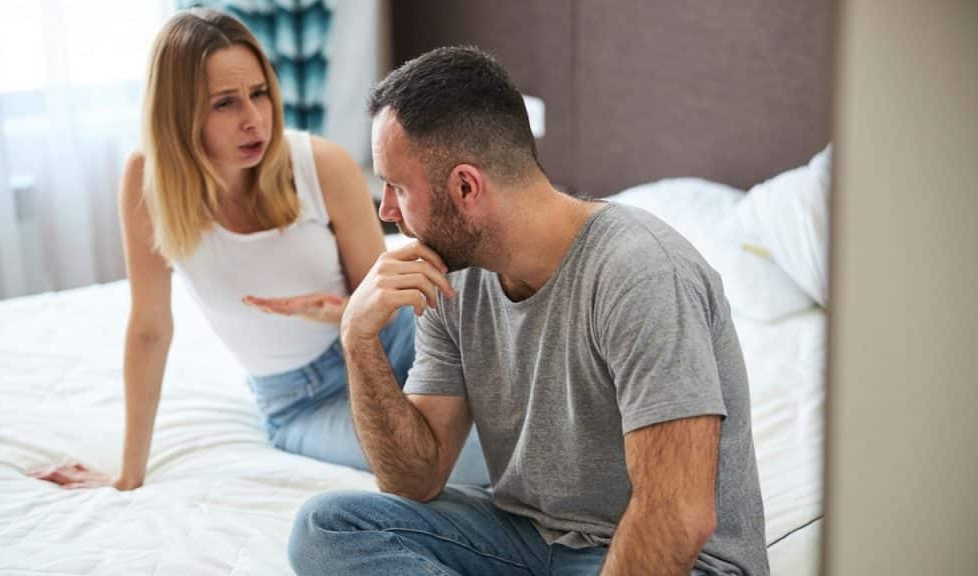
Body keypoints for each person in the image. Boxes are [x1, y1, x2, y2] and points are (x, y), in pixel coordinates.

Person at [288, 46, 770, 575]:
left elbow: (676, 515)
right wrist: (358, 340)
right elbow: (415, 479)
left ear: (466, 187)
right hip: (527, 538)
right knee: (327, 527)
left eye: (398, 187)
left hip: (669, 559)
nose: (386, 210)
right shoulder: (453, 278)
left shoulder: (642, 274)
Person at [28, 9, 487, 491]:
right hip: (303, 401)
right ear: (179, 114)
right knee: (467, 461)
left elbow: (381, 303)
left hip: (391, 346)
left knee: (511, 410)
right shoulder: (147, 182)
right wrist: (127, 476)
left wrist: (336, 313)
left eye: (259, 93)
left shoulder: (320, 165)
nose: (253, 120)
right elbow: (149, 329)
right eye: (225, 103)